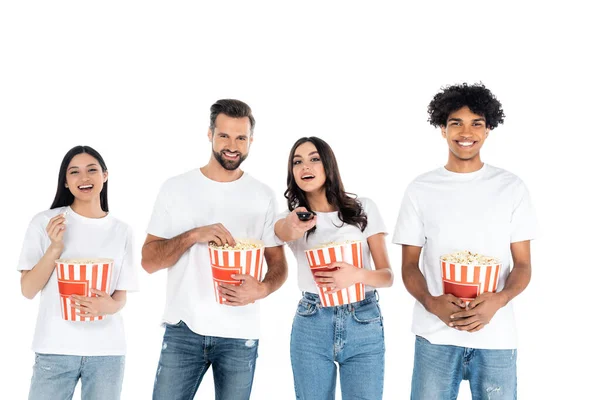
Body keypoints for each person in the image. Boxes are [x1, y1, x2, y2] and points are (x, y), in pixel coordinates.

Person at [393, 83, 538, 399]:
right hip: (435, 337)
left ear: (488, 131)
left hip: (495, 337)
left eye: (477, 123)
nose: (466, 131)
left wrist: (498, 301)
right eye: (455, 122)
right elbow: (408, 265)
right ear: (442, 130)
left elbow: (523, 265)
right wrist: (432, 303)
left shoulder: (511, 188)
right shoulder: (420, 189)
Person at [142, 99, 288, 400]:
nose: (232, 145)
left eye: (241, 138)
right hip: (183, 330)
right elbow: (148, 262)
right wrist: (194, 234)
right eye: (224, 135)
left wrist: (261, 289)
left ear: (251, 141)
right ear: (210, 134)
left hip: (239, 334)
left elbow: (278, 264)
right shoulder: (176, 188)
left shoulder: (262, 195)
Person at [275, 136, 393, 400]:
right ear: (292, 172)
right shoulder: (292, 219)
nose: (306, 167)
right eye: (298, 162)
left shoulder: (363, 208)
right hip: (312, 321)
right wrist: (292, 224)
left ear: (328, 165)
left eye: (314, 159)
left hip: (363, 318)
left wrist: (357, 274)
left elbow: (387, 276)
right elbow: (281, 231)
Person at [17, 145, 138, 400]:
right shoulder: (45, 223)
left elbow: (121, 297)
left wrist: (108, 306)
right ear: (66, 181)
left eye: (92, 170)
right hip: (55, 348)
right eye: (75, 172)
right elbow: (27, 290)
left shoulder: (122, 230)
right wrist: (55, 248)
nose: (84, 178)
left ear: (105, 175)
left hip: (107, 352)